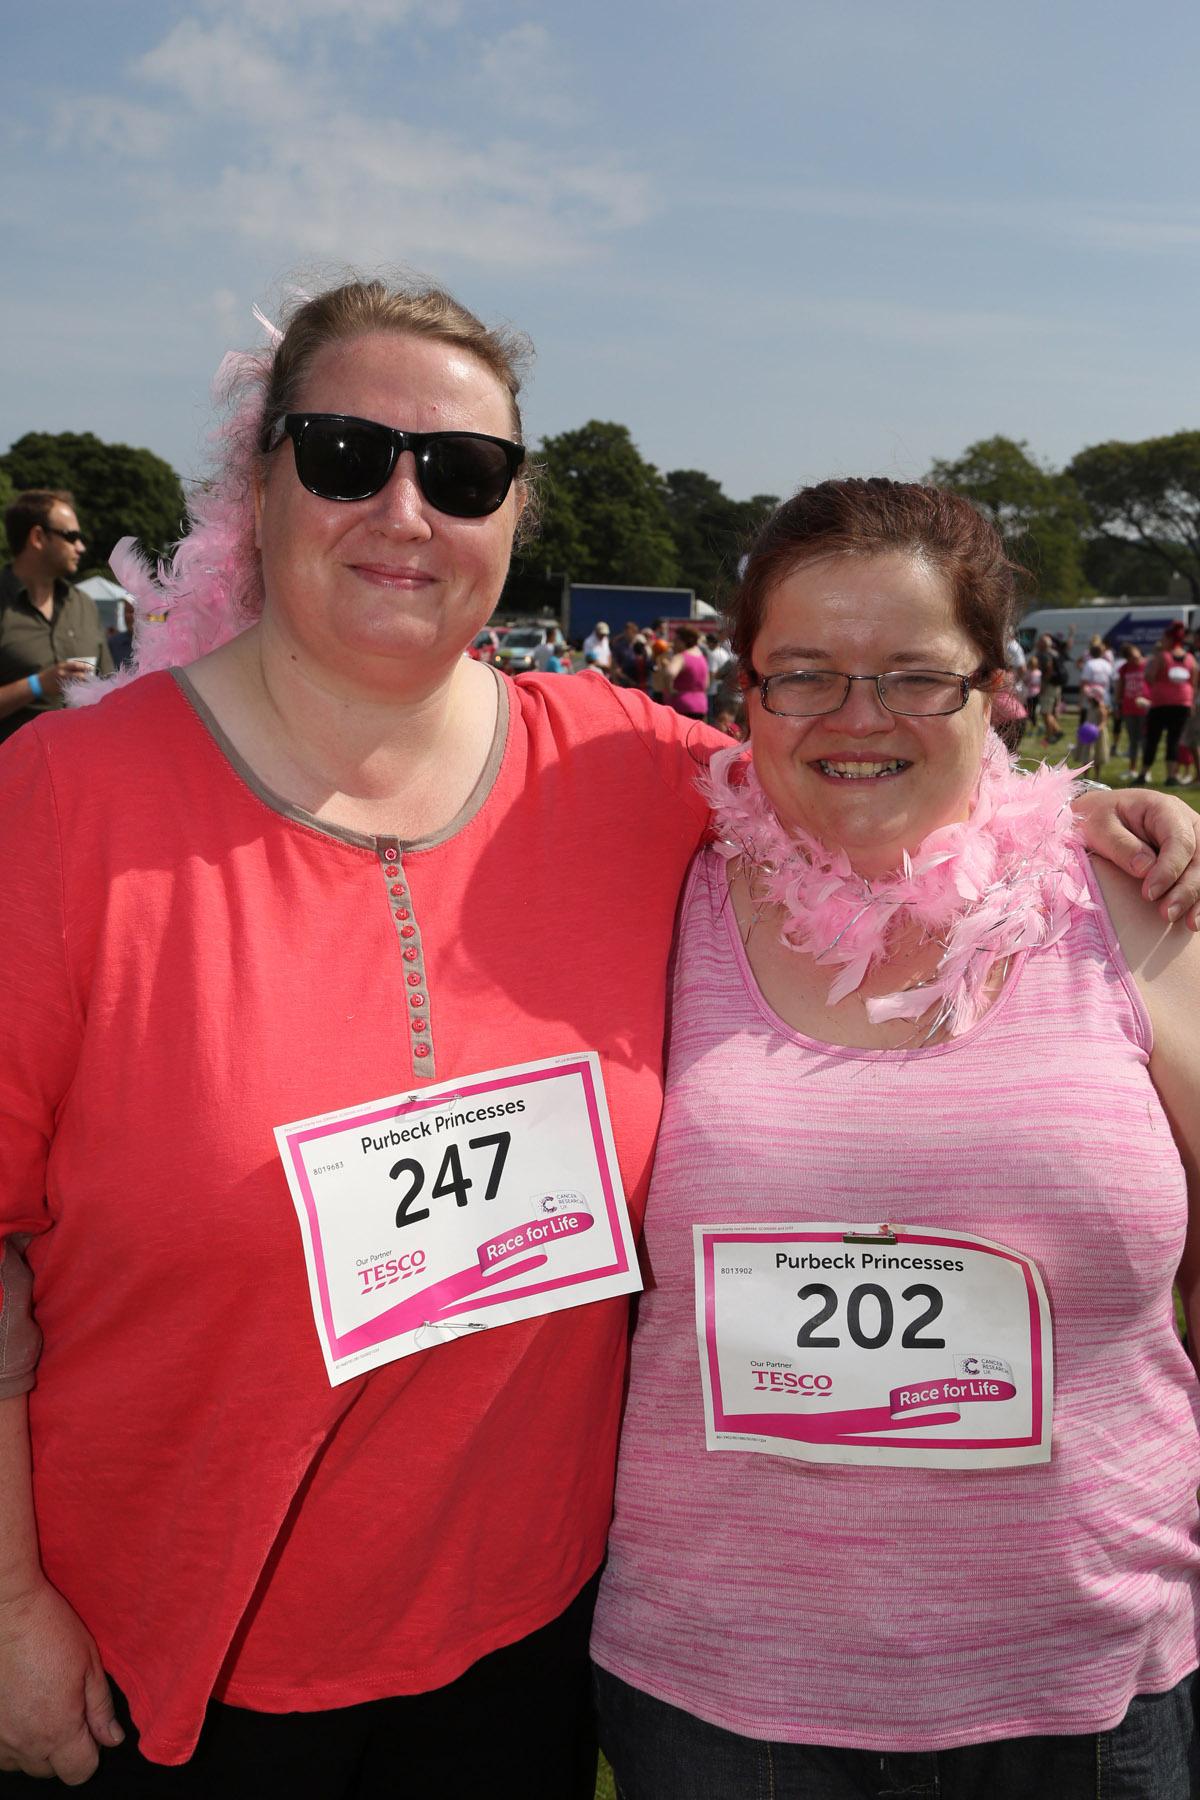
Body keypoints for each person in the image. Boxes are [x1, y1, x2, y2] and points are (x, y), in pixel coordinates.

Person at [0, 287, 1197, 1799]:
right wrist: (3, 1606)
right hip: (165, 1653)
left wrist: (1082, 822)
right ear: (258, 482)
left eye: (463, 473)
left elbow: (862, 760)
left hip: (531, 1648)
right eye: (348, 452)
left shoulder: (628, 770)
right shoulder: (59, 805)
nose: (404, 509)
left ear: (514, 511)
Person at [591, 479, 1200, 1799]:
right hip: (723, 1697)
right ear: (741, 690)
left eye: (916, 676)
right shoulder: (647, 891)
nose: (858, 721)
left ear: (997, 689)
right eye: (803, 674)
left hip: (1085, 1687)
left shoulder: (1136, 908)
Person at [0, 491, 113, 743]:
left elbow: (110, 689)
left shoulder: (83, 604)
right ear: (38, 537)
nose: (80, 547)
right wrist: (37, 684)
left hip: (82, 771)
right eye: (71, 537)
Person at [1139, 623, 1196, 787]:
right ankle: (1171, 775)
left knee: (1153, 739)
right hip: (1182, 703)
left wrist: (1159, 686)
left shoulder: (1163, 656)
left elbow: (1149, 675)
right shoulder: (1190, 658)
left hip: (1161, 703)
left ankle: (1143, 773)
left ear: (1170, 639)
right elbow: (1194, 682)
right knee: (1174, 740)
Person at [1116, 644, 1152, 779]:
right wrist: (1118, 705)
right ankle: (1132, 769)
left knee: (1145, 740)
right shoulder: (1124, 669)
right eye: (1131, 658)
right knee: (1133, 740)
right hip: (1129, 708)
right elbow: (1120, 686)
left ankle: (1146, 771)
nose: (1135, 659)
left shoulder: (1148, 664)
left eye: (1136, 655)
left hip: (1145, 707)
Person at [666, 625, 710, 718]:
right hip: (701, 705)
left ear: (682, 641)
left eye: (675, 640)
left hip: (682, 705)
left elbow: (670, 673)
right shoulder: (702, 658)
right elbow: (706, 684)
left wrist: (670, 690)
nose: (673, 643)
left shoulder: (681, 657)